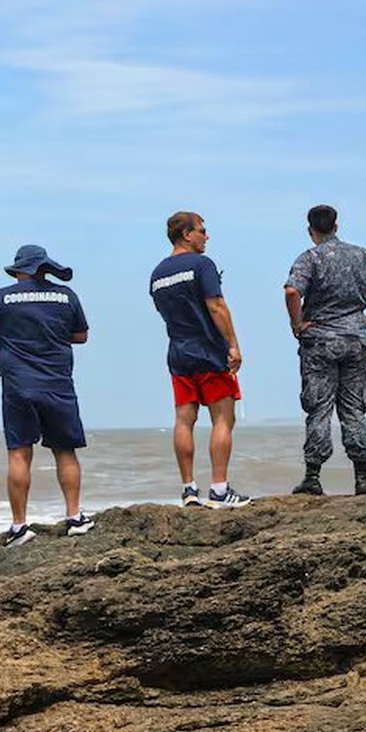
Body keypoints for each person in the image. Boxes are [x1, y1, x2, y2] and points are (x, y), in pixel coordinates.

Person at [0, 245, 95, 547]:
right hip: (57, 383)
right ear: (45, 267)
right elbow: (81, 335)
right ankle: (74, 518)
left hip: (18, 385)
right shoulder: (66, 296)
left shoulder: (2, 297)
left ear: (21, 269)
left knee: (19, 453)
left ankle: (19, 526)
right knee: (65, 451)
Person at [284, 205, 366, 495]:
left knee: (319, 409)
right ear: (336, 226)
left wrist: (297, 324)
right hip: (355, 342)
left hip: (319, 342)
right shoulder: (362, 255)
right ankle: (362, 478)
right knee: (353, 409)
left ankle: (312, 477)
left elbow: (291, 291)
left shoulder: (310, 258)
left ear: (311, 231)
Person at [150, 212, 252, 509]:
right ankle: (219, 489)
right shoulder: (202, 264)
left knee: (184, 419)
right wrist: (233, 344)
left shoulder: (157, 274)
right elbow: (216, 306)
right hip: (208, 351)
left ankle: (189, 489)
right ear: (186, 235)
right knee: (223, 418)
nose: (206, 237)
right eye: (202, 231)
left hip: (178, 353)